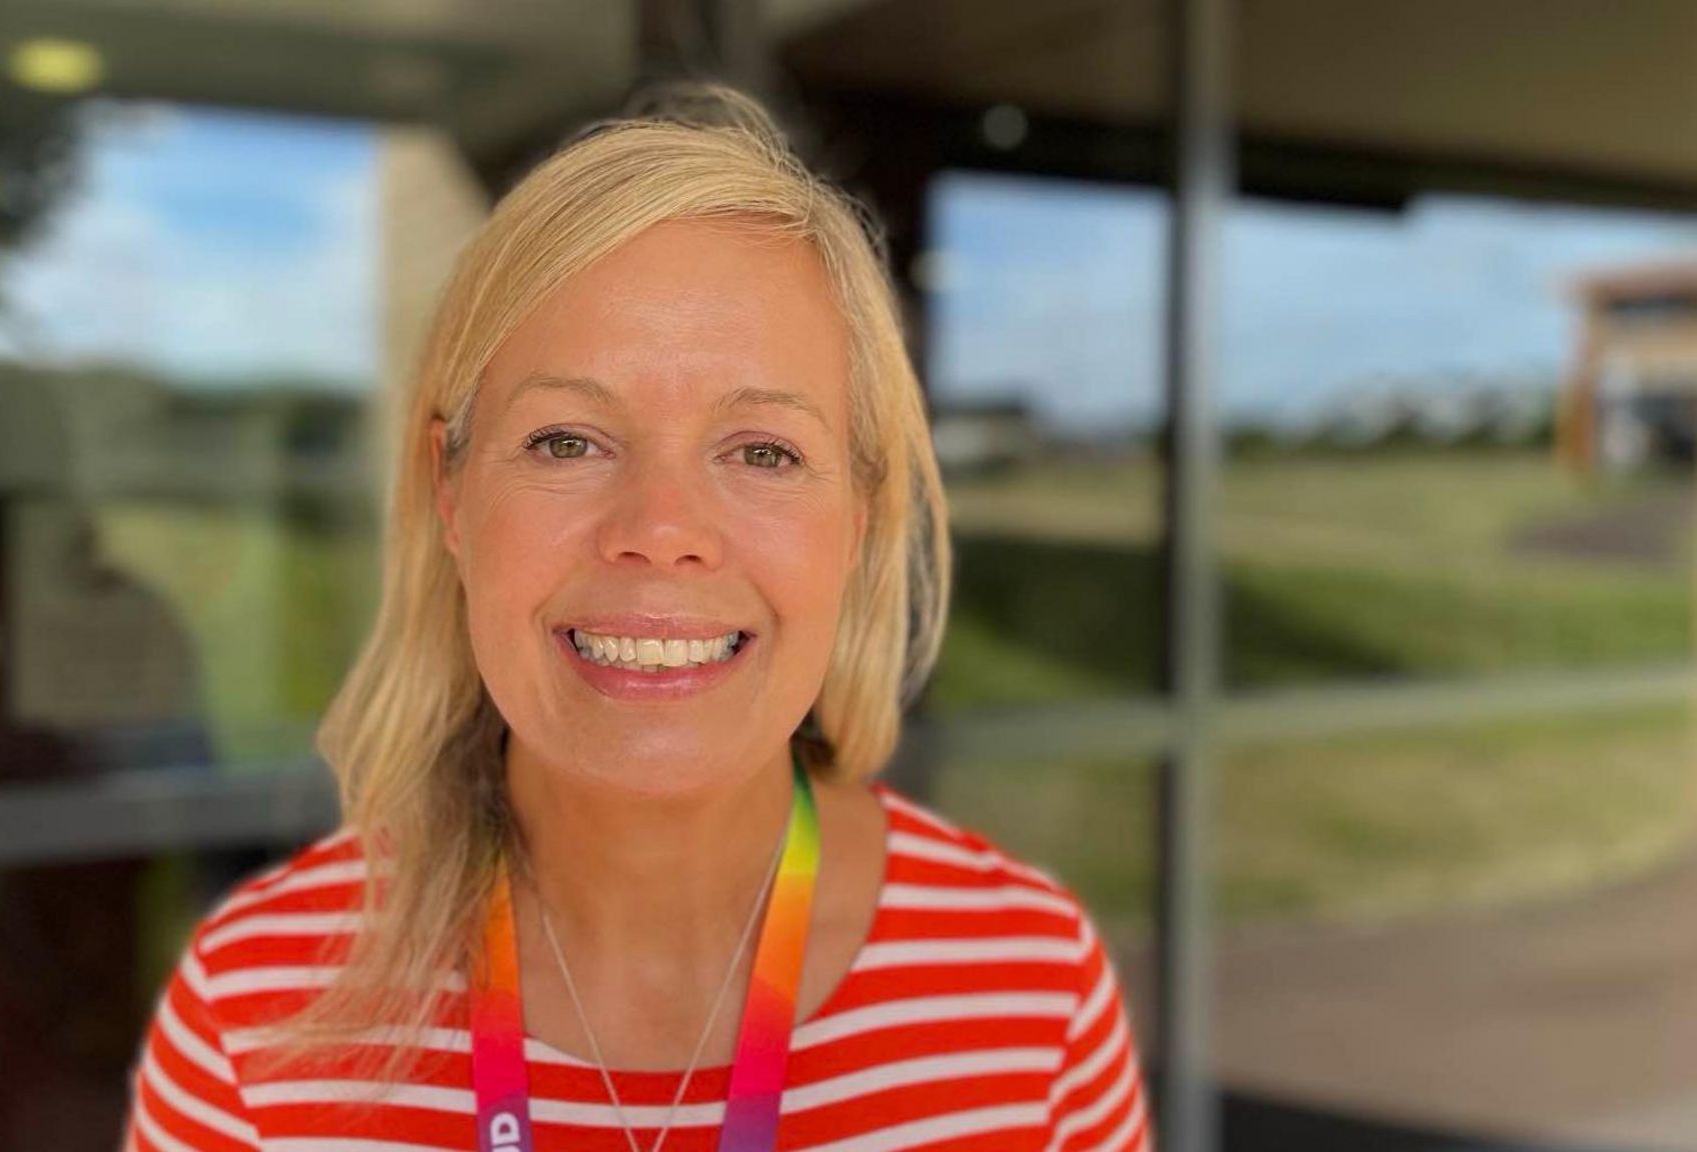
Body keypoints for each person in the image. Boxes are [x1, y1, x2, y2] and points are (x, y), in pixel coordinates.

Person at [122, 83, 1151, 1152]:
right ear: (450, 491)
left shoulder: (1030, 1001)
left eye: (762, 451)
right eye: (567, 440)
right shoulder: (255, 1015)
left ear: (860, 517)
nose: (661, 530)